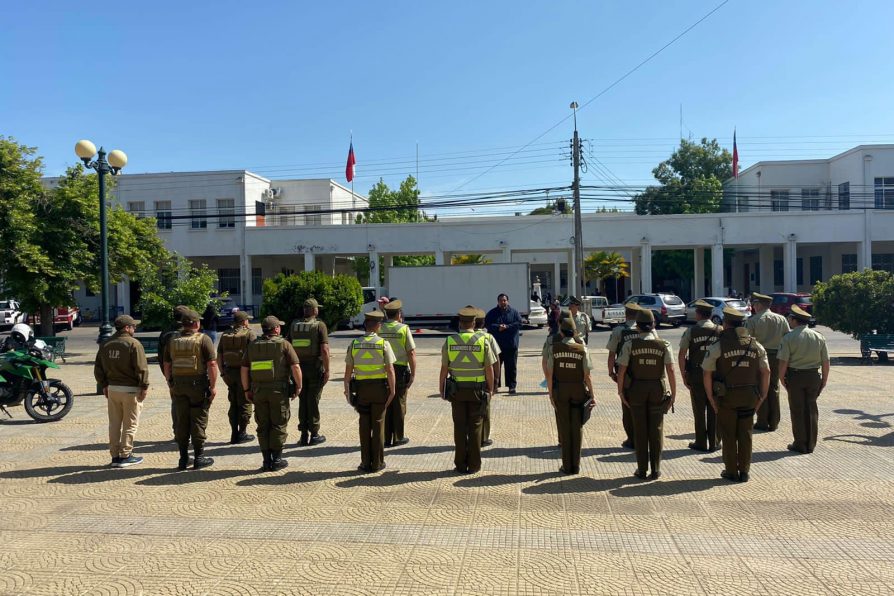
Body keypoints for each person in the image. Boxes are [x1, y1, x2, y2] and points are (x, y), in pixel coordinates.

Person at [702, 306, 770, 483]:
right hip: (749, 396)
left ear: (725, 324)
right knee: (746, 434)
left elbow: (707, 372)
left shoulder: (718, 346)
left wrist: (710, 397)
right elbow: (766, 372)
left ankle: (731, 471)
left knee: (728, 433)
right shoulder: (755, 344)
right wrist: (762, 396)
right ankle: (745, 471)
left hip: (727, 397)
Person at [616, 308, 675, 480]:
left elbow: (621, 370)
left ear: (638, 327)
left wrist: (621, 392)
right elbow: (670, 370)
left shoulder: (630, 345)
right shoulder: (663, 345)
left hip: (636, 390)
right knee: (656, 429)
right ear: (653, 325)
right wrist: (674, 395)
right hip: (657, 388)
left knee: (640, 430)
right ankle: (656, 469)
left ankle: (641, 470)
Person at [440, 306, 497, 474]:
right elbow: (489, 370)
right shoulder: (483, 341)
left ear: (460, 323)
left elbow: (444, 369)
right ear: (473, 322)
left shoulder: (450, 341)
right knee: (475, 427)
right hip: (477, 391)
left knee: (459, 427)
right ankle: (474, 465)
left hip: (457, 391)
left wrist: (442, 388)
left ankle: (460, 463)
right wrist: (491, 389)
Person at [241, 316, 302, 471]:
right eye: (279, 326)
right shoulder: (284, 345)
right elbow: (295, 367)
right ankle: (277, 460)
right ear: (276, 329)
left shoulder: (253, 345)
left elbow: (244, 369)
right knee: (278, 423)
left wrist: (247, 389)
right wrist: (299, 387)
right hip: (278, 391)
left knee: (263, 425)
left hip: (258, 391)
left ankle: (266, 460)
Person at [163, 310, 218, 471]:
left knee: (182, 420)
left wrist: (170, 383)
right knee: (198, 419)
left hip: (178, 385)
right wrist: (213, 387)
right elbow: (212, 364)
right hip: (197, 385)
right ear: (196, 324)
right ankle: (199, 457)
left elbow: (167, 364)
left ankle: (183, 458)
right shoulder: (203, 339)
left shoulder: (172, 340)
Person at [93, 315, 149, 468]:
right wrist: (144, 386)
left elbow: (98, 368)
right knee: (130, 423)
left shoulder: (106, 344)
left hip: (112, 388)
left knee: (114, 423)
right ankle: (126, 455)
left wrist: (104, 384)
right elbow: (141, 368)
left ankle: (115, 455)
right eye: (132, 326)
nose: (134, 328)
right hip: (130, 389)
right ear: (126, 328)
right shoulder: (134, 344)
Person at [344, 311, 396, 473]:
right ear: (378, 326)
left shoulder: (354, 344)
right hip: (379, 389)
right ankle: (377, 463)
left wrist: (347, 392)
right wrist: (392, 391)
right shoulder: (383, 344)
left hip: (361, 389)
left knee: (364, 425)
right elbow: (390, 371)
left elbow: (347, 373)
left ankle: (365, 462)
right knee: (379, 424)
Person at [543, 317, 596, 474]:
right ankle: (576, 465)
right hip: (578, 390)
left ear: (561, 331)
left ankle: (567, 466)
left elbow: (550, 374)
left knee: (565, 428)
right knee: (577, 427)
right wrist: (592, 395)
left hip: (561, 391)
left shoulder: (555, 348)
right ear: (574, 333)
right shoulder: (582, 349)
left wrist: (551, 394)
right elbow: (587, 376)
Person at [777, 304, 830, 455]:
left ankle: (800, 443)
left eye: (790, 319)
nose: (789, 321)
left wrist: (782, 379)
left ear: (794, 321)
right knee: (812, 409)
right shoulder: (819, 336)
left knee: (797, 410)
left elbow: (783, 362)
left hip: (795, 376)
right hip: (814, 376)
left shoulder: (789, 337)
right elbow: (826, 362)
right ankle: (811, 443)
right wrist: (824, 380)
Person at [677, 300, 722, 452]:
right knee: (714, 407)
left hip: (696, 374)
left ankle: (701, 442)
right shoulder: (720, 330)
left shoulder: (691, 331)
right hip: (715, 375)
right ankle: (714, 441)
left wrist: (684, 375)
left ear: (698, 314)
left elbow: (682, 354)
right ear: (710, 315)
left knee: (699, 409)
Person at [286, 298, 330, 447]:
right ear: (315, 310)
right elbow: (324, 350)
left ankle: (303, 434)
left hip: (298, 368)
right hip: (314, 367)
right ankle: (315, 433)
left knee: (302, 400)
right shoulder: (320, 325)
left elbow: (288, 347)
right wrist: (328, 369)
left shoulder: (294, 325)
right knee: (313, 401)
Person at [745, 292, 790, 432]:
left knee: (760, 387)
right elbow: (787, 338)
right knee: (774, 387)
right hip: (777, 356)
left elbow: (747, 341)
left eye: (755, 304)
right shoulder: (781, 319)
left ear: (758, 305)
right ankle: (774, 421)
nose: (754, 307)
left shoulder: (753, 320)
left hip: (759, 356)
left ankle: (762, 420)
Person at [217, 311, 257, 444]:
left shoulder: (225, 334)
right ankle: (242, 432)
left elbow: (219, 356)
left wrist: (222, 372)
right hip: (244, 373)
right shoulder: (249, 334)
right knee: (245, 401)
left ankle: (234, 433)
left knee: (233, 403)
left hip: (229, 373)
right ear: (244, 322)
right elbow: (254, 355)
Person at [380, 299, 416, 447]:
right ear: (399, 313)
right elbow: (411, 353)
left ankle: (386, 437)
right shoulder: (403, 329)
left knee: (386, 402)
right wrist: (413, 374)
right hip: (400, 369)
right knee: (399, 404)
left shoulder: (380, 328)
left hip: (383, 369)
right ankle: (398, 437)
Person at [606, 302, 642, 449]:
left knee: (627, 408)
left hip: (625, 376)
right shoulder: (646, 330)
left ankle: (631, 439)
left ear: (626, 314)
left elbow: (611, 354)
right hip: (645, 374)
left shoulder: (618, 331)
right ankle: (642, 438)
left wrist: (611, 373)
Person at [158, 305, 190, 439]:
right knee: (190, 403)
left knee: (176, 402)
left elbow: (161, 357)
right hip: (190, 374)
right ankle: (188, 432)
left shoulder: (165, 333)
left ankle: (177, 431)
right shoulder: (189, 332)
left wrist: (167, 375)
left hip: (172, 373)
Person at [485, 293, 521, 394]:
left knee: (511, 367)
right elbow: (487, 324)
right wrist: (498, 327)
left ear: (507, 301)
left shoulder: (514, 312)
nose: (503, 302)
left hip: (511, 345)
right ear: (498, 301)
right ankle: (495, 385)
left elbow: (519, 323)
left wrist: (507, 327)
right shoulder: (492, 313)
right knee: (496, 367)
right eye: (501, 300)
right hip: (497, 346)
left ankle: (512, 386)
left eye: (504, 300)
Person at [474, 307, 500, 447]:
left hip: (465, 381)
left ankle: (470, 436)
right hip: (484, 381)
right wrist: (496, 381)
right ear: (483, 323)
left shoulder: (461, 338)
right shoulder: (488, 338)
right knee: (484, 411)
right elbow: (495, 361)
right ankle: (483, 438)